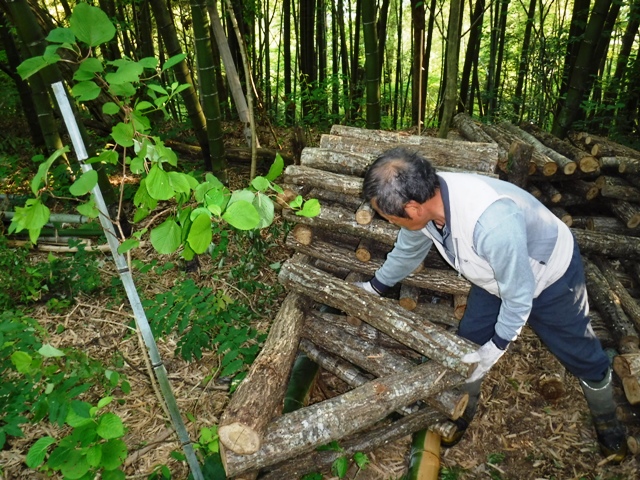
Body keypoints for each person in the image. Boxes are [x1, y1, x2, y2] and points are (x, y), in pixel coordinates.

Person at [356, 147, 627, 462]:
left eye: (390, 217)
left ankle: (608, 422)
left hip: (550, 274)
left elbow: (519, 294)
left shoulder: (491, 224)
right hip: (494, 271)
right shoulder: (429, 201)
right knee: (470, 340)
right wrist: (375, 287)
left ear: (413, 208)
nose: (390, 222)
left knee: (580, 352)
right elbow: (407, 252)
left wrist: (497, 346)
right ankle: (463, 409)